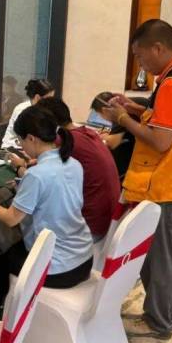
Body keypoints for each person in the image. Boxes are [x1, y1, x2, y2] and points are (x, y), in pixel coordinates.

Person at [101, 19, 172, 340]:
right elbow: (169, 119)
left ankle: (157, 322)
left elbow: (161, 141)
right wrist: (135, 108)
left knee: (158, 258)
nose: (141, 64)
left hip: (170, 186)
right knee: (169, 256)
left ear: (158, 48)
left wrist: (122, 118)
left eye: (140, 56)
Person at [0, 105, 94, 288]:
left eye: (20, 141)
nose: (21, 146)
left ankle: (4, 304)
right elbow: (54, 194)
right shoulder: (73, 163)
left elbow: (11, 219)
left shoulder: (36, 175)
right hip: (85, 258)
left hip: (57, 268)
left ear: (31, 138)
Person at [37, 97, 120, 241]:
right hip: (109, 220)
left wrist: (21, 167)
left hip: (90, 228)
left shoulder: (66, 141)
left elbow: (44, 177)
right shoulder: (88, 133)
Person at [91, 91, 150, 178]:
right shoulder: (141, 103)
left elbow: (112, 142)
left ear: (104, 110)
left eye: (100, 115)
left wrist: (103, 138)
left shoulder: (120, 117)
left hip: (127, 172)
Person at [1, 79, 54, 149]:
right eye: (49, 99)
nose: (51, 102)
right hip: (14, 147)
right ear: (37, 98)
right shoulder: (22, 110)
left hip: (30, 146)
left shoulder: (42, 109)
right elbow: (26, 137)